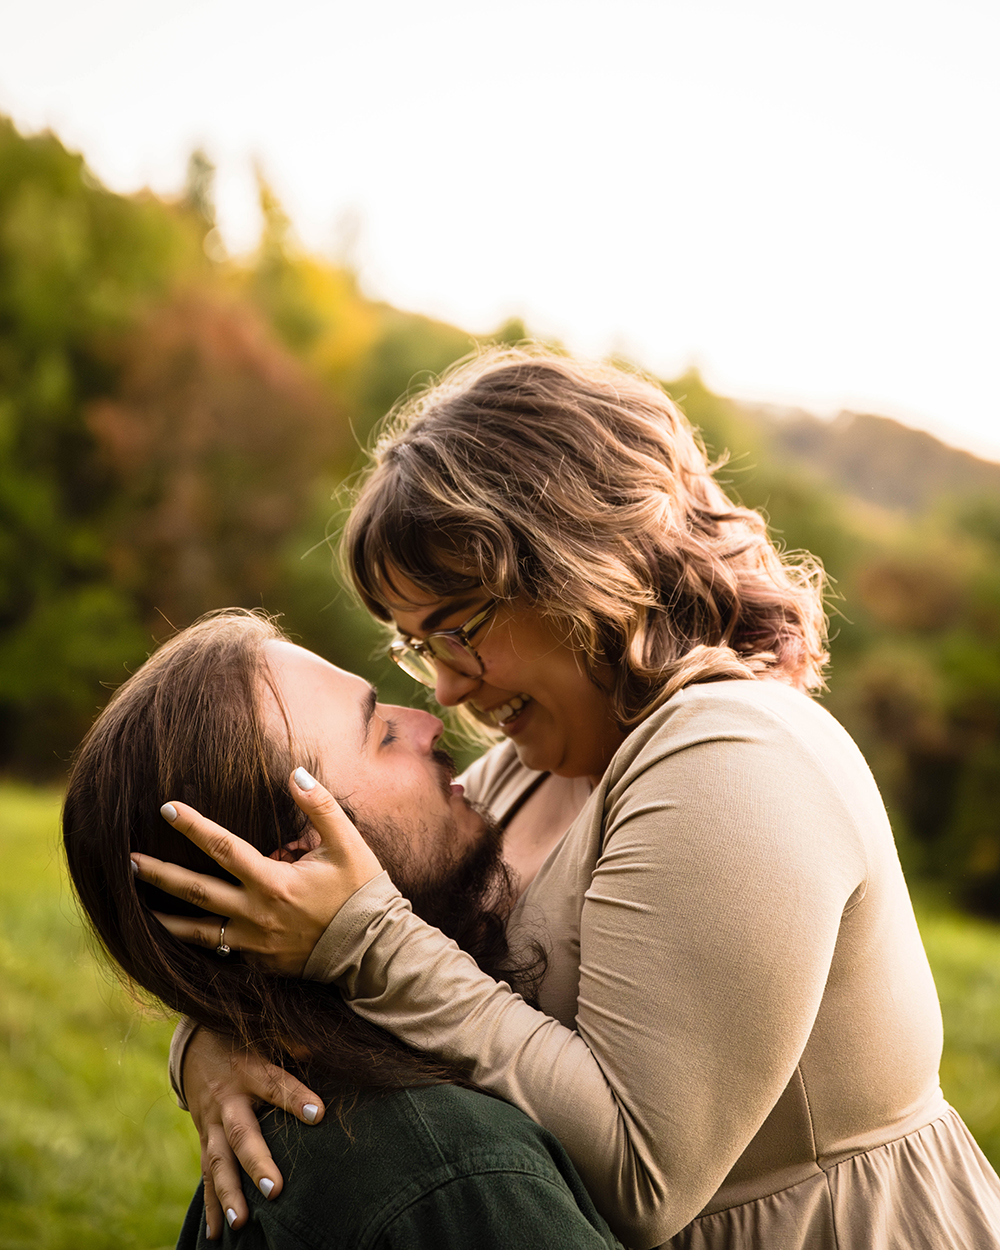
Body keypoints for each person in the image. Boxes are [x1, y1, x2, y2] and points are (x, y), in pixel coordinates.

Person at [141, 351, 1000, 1248]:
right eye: (413, 645)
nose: (443, 690)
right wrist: (213, 1041)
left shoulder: (732, 756)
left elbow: (641, 1177)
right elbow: (341, 921)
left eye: (458, 630)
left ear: (580, 568)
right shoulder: (532, 768)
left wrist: (370, 946)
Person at [61, 609, 623, 1250]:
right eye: (382, 733)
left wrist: (215, 1021)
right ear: (289, 877)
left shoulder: (285, 1117)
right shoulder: (458, 1176)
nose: (431, 720)